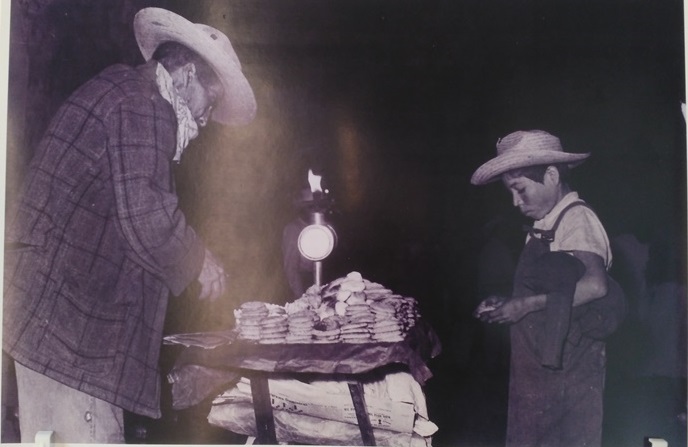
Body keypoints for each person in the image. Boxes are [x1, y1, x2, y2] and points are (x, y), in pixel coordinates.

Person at [2, 7, 256, 443]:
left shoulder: (124, 91)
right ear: (186, 76)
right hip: (72, 341)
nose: (206, 119)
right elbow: (145, 215)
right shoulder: (144, 104)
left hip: (47, 329)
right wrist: (201, 260)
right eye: (210, 104)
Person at [471, 130, 625, 447]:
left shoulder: (577, 218)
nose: (515, 202)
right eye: (510, 193)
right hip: (538, 368)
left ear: (552, 176)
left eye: (520, 190)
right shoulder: (544, 224)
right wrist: (510, 302)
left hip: (569, 368)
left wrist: (524, 305)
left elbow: (595, 286)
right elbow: (553, 293)